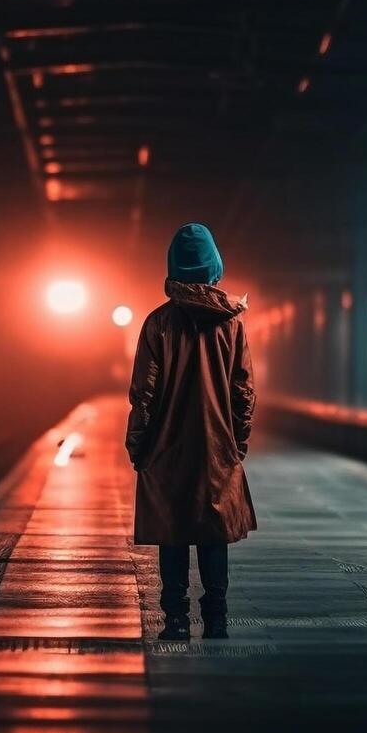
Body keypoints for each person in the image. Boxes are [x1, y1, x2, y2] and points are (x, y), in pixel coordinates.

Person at [126, 222, 257, 641]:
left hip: (167, 448)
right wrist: (237, 442)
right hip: (217, 447)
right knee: (213, 533)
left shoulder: (158, 323)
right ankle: (216, 618)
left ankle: (176, 619)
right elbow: (243, 391)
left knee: (173, 532)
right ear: (214, 266)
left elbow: (143, 393)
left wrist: (138, 445)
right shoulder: (232, 324)